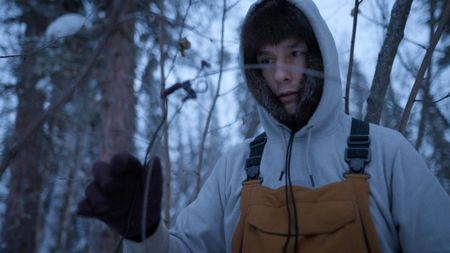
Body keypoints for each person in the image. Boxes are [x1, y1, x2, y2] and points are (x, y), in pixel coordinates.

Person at [78, 0, 450, 252]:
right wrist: (144, 233)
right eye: (266, 60)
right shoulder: (236, 168)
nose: (281, 75)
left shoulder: (385, 152)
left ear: (319, 55)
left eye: (294, 54)